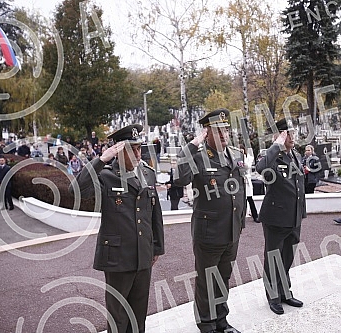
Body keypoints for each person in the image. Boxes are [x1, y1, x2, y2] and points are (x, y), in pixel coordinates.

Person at [70, 124, 164, 333]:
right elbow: (75, 191)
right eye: (132, 149)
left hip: (143, 254)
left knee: (139, 313)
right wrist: (101, 159)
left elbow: (154, 213)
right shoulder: (105, 175)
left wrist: (157, 247)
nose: (138, 154)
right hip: (118, 257)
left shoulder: (147, 174)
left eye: (140, 148)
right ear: (119, 151)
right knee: (118, 316)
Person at [174, 108, 246, 333]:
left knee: (223, 279)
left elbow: (239, 190)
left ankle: (221, 321)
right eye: (218, 130)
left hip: (232, 230)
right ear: (207, 133)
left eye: (226, 129)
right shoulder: (198, 156)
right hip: (209, 232)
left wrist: (241, 221)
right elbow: (179, 178)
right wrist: (192, 146)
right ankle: (206, 324)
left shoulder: (234, 155)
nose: (224, 134)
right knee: (206, 282)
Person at [255, 118, 306, 315]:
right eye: (288, 133)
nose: (293, 137)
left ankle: (285, 292)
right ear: (280, 135)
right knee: (273, 257)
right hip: (276, 217)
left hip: (294, 217)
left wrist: (301, 213)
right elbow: (261, 169)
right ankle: (273, 296)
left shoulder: (295, 154)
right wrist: (276, 144)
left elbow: (298, 186)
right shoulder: (270, 156)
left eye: (292, 133)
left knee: (287, 257)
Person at [240, 144, 259, 222]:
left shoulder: (249, 158)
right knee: (241, 200)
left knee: (250, 198)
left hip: (247, 180)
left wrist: (243, 157)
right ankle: (241, 218)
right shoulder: (236, 158)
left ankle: (255, 216)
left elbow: (247, 166)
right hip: (240, 180)